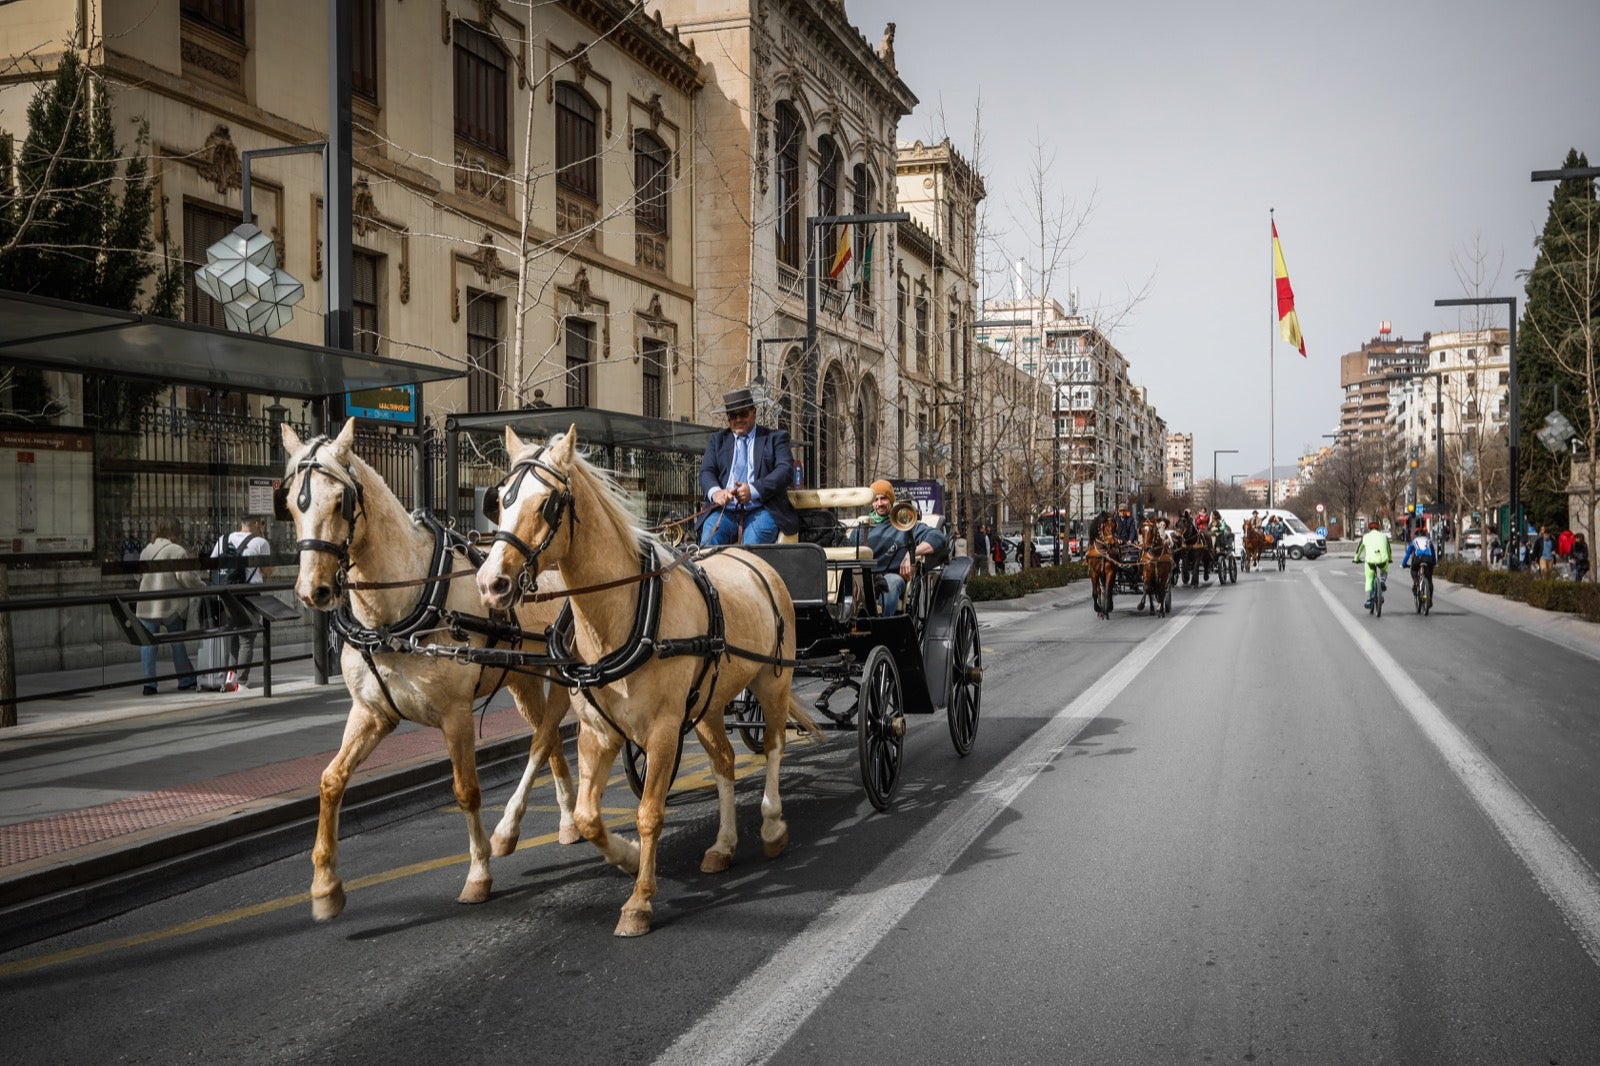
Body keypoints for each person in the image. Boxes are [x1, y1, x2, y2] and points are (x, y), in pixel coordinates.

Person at [697, 387, 798, 546]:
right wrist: (716, 493)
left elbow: (785, 470)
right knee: (707, 544)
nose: (738, 419)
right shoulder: (718, 441)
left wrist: (753, 490)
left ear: (754, 412)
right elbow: (706, 472)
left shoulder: (774, 438)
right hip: (724, 512)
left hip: (763, 510)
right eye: (732, 416)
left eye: (743, 414)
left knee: (751, 547)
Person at [853, 479, 946, 615]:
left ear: (891, 500)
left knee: (891, 582)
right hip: (864, 579)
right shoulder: (861, 528)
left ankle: (884, 628)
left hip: (892, 577)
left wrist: (911, 553)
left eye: (884, 499)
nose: (879, 504)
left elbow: (937, 537)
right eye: (876, 499)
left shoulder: (904, 523)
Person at [137, 521, 204, 695]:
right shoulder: (177, 551)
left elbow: (137, 575)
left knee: (148, 645)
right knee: (177, 642)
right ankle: (185, 678)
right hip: (170, 606)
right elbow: (186, 578)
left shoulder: (146, 550)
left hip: (147, 605)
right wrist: (203, 585)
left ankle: (149, 684)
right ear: (175, 533)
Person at [213, 516, 272, 691]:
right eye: (260, 524)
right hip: (249, 594)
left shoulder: (223, 539)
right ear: (255, 524)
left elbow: (212, 566)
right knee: (247, 637)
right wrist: (262, 540)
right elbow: (267, 571)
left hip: (226, 593)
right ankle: (242, 681)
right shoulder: (260, 542)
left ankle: (231, 676)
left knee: (233, 634)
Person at [1353, 519, 1392, 608]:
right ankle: (1382, 580)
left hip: (1370, 561)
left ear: (1369, 528)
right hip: (1382, 560)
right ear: (1379, 528)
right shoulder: (1384, 536)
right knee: (1384, 569)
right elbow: (1388, 550)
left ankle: (1369, 600)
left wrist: (1356, 559)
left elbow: (1359, 549)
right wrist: (1389, 559)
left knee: (1369, 579)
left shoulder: (1365, 537)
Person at [1402, 519, 1438, 599]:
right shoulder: (1429, 541)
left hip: (1417, 560)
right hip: (1428, 560)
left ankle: (1416, 582)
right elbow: (1433, 553)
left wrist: (1404, 564)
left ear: (1416, 535)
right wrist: (1434, 563)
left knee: (1413, 570)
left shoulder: (1414, 542)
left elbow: (1408, 554)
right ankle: (1430, 600)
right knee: (1429, 580)